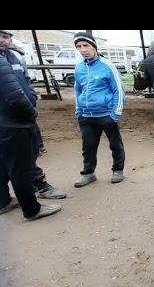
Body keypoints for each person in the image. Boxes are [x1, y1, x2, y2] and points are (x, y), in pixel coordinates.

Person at [0, 30, 65, 199]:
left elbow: (27, 80)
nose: (2, 40)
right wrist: (30, 111)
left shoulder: (15, 57)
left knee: (25, 153)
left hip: (22, 116)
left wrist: (32, 96)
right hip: (12, 120)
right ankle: (37, 189)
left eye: (5, 37)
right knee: (22, 158)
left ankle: (4, 200)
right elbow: (12, 94)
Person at [73, 32, 127, 187]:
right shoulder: (79, 68)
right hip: (86, 116)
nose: (83, 50)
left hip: (106, 114)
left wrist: (115, 114)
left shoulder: (107, 66)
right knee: (88, 146)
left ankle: (118, 170)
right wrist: (79, 110)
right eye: (79, 47)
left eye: (86, 45)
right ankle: (88, 173)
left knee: (115, 144)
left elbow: (118, 91)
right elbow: (78, 90)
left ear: (94, 46)